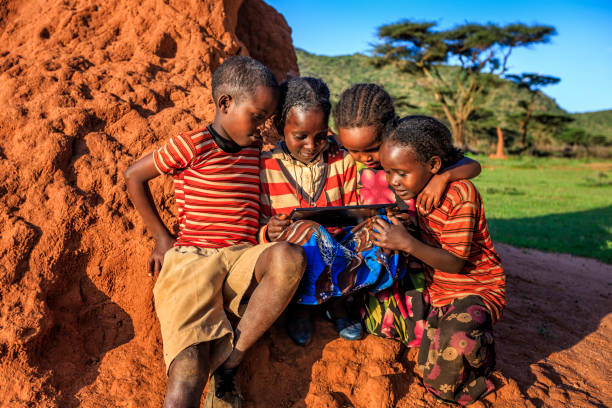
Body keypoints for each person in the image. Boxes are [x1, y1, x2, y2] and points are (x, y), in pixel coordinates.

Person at [124, 56, 306, 408]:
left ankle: (229, 365)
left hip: (242, 256)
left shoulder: (255, 152)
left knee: (290, 257)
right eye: (257, 117)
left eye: (267, 120)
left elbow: (251, 215)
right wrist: (162, 237)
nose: (261, 128)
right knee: (188, 369)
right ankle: (208, 373)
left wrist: (270, 232)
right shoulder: (191, 145)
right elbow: (134, 176)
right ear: (225, 103)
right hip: (194, 259)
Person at [333, 83, 482, 349]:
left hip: (419, 258)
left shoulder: (407, 157)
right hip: (378, 255)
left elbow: (472, 164)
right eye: (354, 151)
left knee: (422, 324)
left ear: (390, 131)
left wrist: (444, 177)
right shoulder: (352, 169)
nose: (364, 158)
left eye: (372, 148)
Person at [372, 115, 506, 406]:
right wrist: (400, 226)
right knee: (425, 360)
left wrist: (406, 242)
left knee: (452, 354)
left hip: (477, 288)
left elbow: (457, 264)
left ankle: (482, 367)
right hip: (441, 290)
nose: (393, 181)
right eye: (388, 172)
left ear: (433, 165)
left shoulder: (461, 194)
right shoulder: (414, 190)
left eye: (400, 173)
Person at [259, 77, 362, 345]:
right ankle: (302, 307)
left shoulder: (342, 160)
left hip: (340, 252)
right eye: (300, 136)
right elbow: (257, 221)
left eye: (320, 136)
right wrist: (269, 229)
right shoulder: (265, 167)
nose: (311, 145)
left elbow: (354, 209)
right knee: (308, 233)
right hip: (295, 261)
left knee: (379, 232)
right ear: (280, 127)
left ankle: (338, 302)